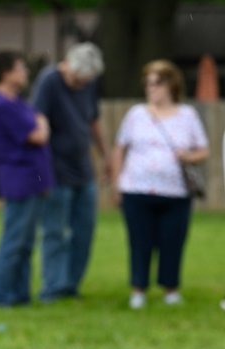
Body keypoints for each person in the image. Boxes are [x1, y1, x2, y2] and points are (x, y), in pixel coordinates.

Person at [111, 59, 209, 310]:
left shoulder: (188, 115)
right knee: (139, 241)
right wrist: (116, 183)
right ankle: (138, 289)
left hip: (175, 192)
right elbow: (120, 149)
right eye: (148, 84)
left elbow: (203, 151)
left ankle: (171, 289)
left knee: (172, 241)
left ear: (170, 85)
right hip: (137, 189)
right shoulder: (136, 115)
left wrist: (187, 156)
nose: (151, 88)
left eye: (156, 83)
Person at [30, 43, 108, 301]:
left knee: (84, 231)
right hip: (55, 170)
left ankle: (71, 286)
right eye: (76, 80)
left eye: (85, 81)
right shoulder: (49, 81)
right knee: (54, 231)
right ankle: (53, 287)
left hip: (83, 170)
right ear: (67, 65)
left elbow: (93, 121)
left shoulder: (88, 84)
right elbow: (38, 117)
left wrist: (106, 155)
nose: (79, 85)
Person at [0, 50, 53, 307]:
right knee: (14, 240)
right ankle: (3, 295)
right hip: (19, 179)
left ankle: (21, 294)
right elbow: (38, 136)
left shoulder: (16, 102)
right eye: (21, 68)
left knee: (26, 242)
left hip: (33, 179)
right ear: (6, 73)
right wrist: (43, 124)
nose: (25, 73)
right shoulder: (2, 105)